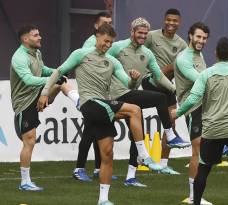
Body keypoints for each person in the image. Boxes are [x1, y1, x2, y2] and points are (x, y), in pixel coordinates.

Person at [37, 24, 148, 205]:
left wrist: (135, 80)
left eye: (111, 43)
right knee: (134, 110)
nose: (107, 45)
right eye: (105, 41)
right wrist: (44, 93)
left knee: (107, 154)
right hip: (90, 103)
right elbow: (59, 71)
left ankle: (103, 200)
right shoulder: (81, 54)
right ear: (97, 36)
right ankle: (143, 155)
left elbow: (128, 85)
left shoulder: (112, 61)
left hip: (102, 107)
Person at [172, 37, 228, 205]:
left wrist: (177, 113)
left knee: (204, 169)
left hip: (212, 131)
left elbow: (192, 99)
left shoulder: (206, 74)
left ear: (215, 54)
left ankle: (197, 202)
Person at [107, 17, 191, 186]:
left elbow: (159, 76)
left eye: (145, 33)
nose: (143, 36)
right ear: (132, 32)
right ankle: (170, 134)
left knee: (137, 136)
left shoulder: (147, 53)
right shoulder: (118, 47)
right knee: (160, 98)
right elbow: (102, 59)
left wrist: (174, 89)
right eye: (140, 33)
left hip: (132, 96)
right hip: (116, 95)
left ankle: (130, 177)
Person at [11, 25, 78, 191]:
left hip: (39, 94)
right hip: (24, 103)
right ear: (26, 39)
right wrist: (52, 80)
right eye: (35, 35)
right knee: (30, 141)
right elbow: (29, 80)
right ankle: (25, 182)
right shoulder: (19, 57)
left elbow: (44, 71)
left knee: (61, 81)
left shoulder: (37, 53)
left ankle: (79, 102)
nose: (40, 37)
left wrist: (57, 73)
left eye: (39, 34)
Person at [144, 8, 187, 174]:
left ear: (179, 23)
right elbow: (138, 50)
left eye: (175, 21)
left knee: (171, 123)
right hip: (151, 80)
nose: (171, 23)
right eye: (169, 20)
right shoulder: (152, 36)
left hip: (167, 86)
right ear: (164, 20)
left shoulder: (182, 44)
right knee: (176, 64)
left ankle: (163, 164)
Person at [73, 11, 115, 182]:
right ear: (96, 27)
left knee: (96, 130)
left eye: (110, 23)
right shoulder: (90, 44)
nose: (108, 25)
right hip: (90, 96)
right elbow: (83, 65)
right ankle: (79, 168)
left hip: (101, 95)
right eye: (105, 23)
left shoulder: (108, 42)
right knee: (90, 131)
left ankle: (98, 168)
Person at [174, 22, 212, 205]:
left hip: (205, 106)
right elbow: (200, 80)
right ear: (190, 36)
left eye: (204, 38)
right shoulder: (183, 59)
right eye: (198, 37)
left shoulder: (199, 54)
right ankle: (193, 196)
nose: (201, 41)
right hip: (192, 108)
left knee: (203, 151)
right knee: (197, 151)